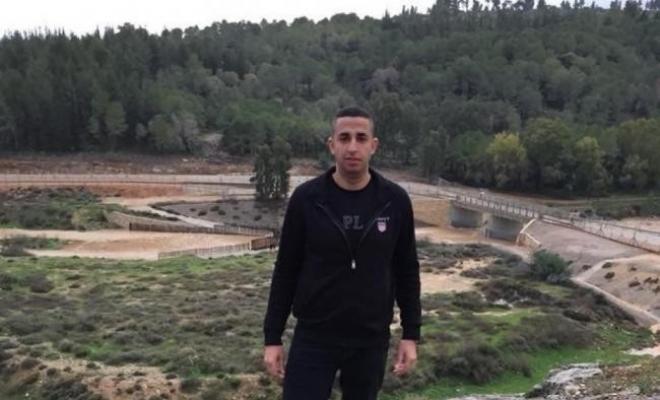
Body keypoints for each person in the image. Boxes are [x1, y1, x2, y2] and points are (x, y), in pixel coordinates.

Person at [262, 106, 421, 400]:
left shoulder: (394, 201)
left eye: (361, 138)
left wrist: (411, 334)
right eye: (344, 138)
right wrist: (272, 337)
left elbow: (407, 270)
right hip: (314, 336)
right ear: (331, 144)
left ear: (373, 146)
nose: (352, 147)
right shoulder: (307, 199)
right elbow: (286, 270)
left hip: (370, 340)